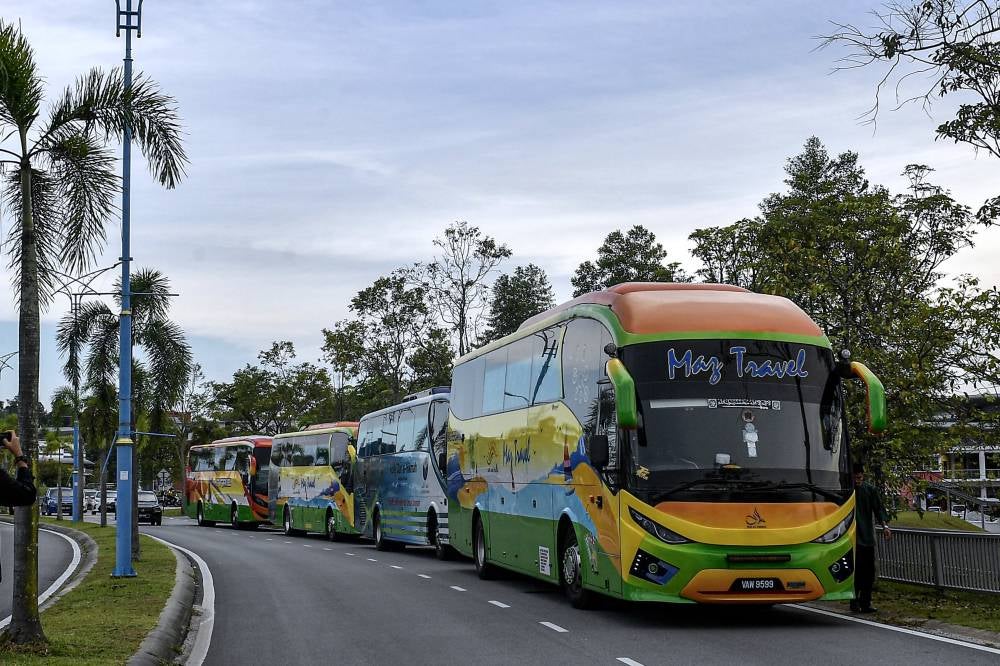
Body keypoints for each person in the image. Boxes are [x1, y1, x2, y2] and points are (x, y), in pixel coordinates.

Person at [851, 461, 891, 613]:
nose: (857, 480)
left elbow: (878, 509)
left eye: (859, 477)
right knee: (856, 571)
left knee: (868, 572)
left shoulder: (870, 490)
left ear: (863, 476)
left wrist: (885, 526)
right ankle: (854, 599)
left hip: (866, 537)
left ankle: (865, 601)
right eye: (855, 478)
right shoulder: (848, 491)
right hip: (853, 538)